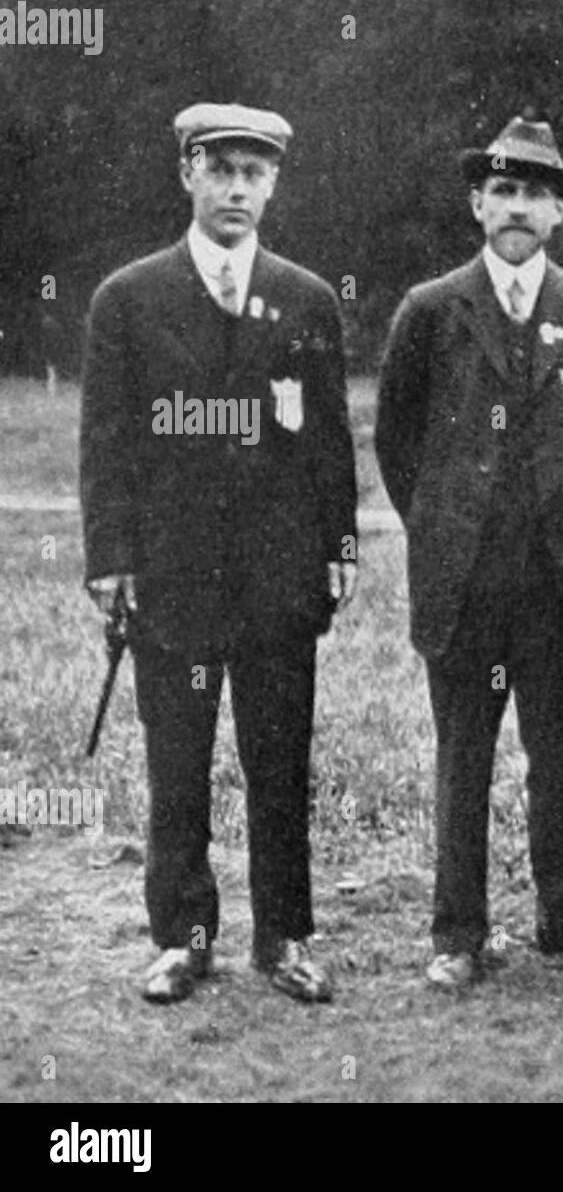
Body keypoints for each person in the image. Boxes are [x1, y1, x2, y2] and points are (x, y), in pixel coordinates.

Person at [80, 103, 358, 1004]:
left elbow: (327, 442)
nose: (237, 187)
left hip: (278, 575)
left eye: (254, 172)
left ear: (274, 182)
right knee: (179, 766)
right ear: (188, 176)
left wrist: (339, 545)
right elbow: (107, 442)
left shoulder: (308, 298)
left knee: (281, 762)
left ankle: (284, 938)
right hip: (172, 573)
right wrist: (109, 556)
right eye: (220, 169)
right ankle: (183, 938)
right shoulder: (128, 298)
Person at [376, 117, 563, 990]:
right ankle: (458, 932)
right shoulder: (430, 308)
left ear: (558, 210)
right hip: (464, 580)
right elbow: (397, 440)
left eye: (536, 192)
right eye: (504, 190)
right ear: (476, 203)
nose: (518, 207)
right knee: (464, 753)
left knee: (562, 751)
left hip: (562, 578)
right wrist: (449, 524)